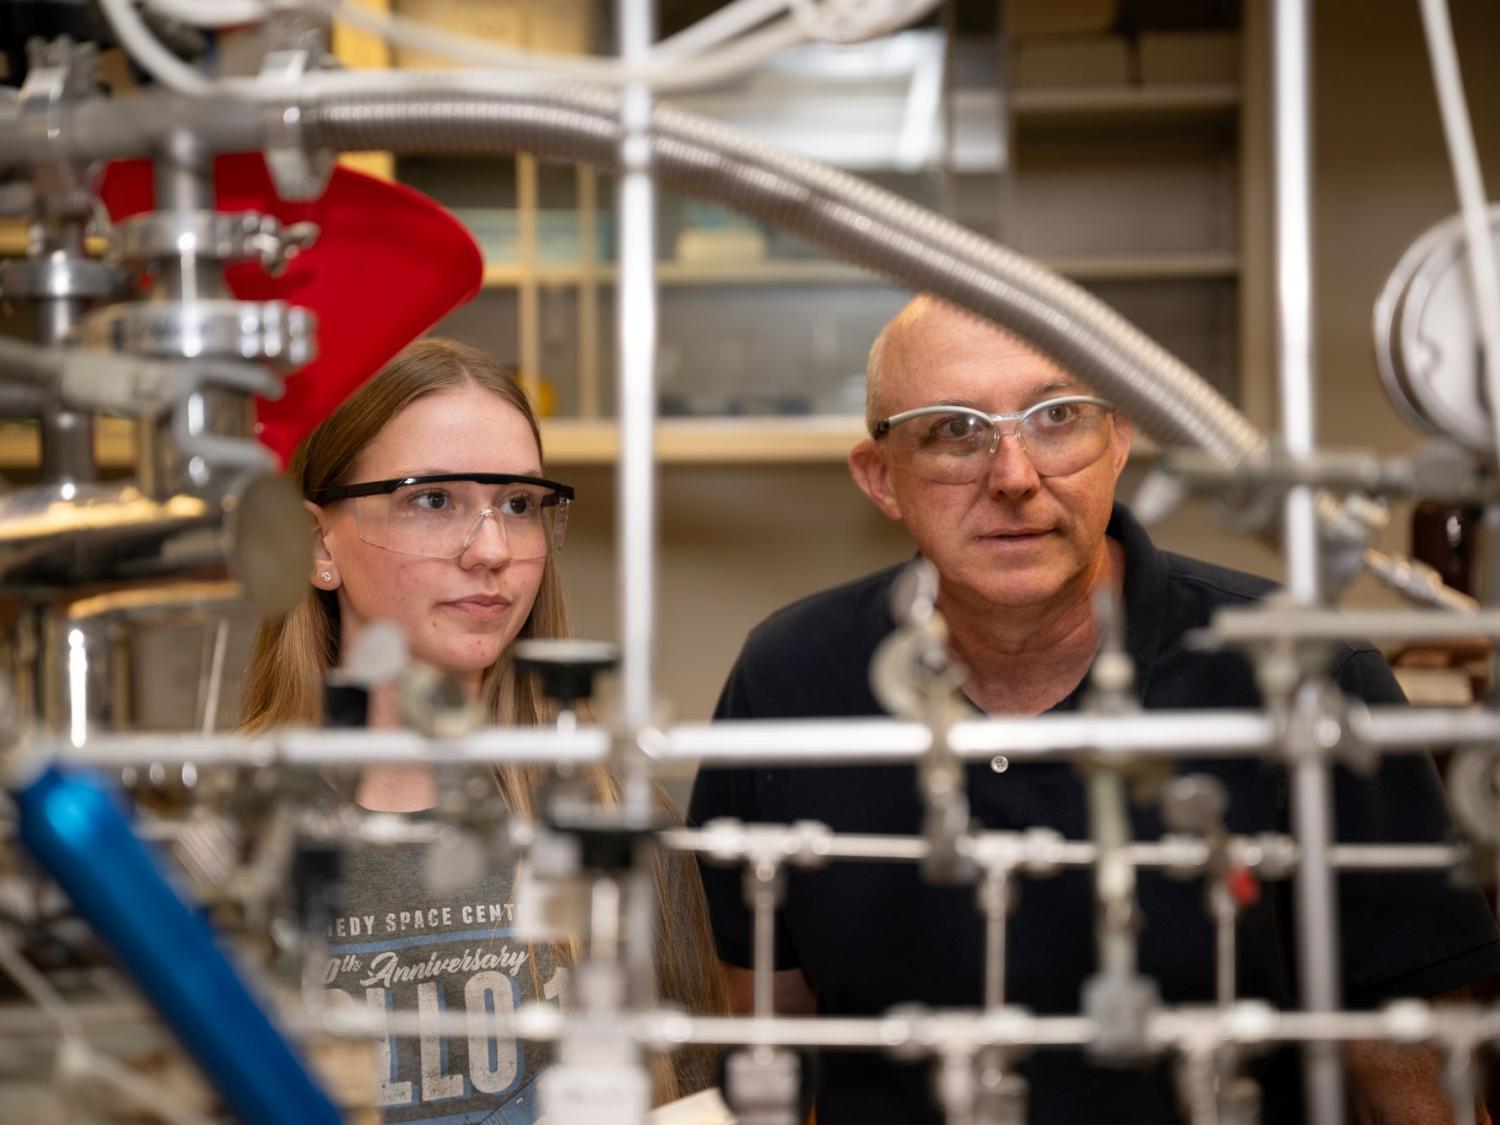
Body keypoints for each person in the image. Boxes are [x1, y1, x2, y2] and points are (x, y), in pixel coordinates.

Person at [689, 296, 1500, 1125]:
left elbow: (1416, 1087)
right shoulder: (787, 682)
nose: (1013, 476)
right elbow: (770, 1058)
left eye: (1058, 417)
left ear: (1118, 439)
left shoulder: (1303, 676)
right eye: (954, 430)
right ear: (879, 476)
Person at [243, 337, 727, 1122]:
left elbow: (688, 1101)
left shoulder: (610, 822)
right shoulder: (225, 836)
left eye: (519, 504)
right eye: (433, 500)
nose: (495, 550)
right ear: (316, 544)